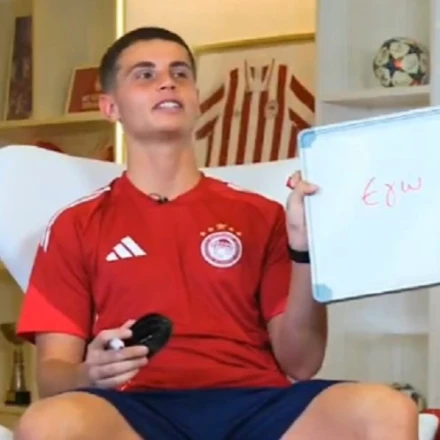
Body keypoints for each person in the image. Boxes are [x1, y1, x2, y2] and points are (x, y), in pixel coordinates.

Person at [14, 27, 418, 440]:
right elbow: (52, 376)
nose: (167, 82)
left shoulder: (262, 215)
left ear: (196, 100)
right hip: (134, 409)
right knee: (46, 424)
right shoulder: (76, 225)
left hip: (256, 405)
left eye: (180, 73)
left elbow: (301, 363)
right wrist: (89, 373)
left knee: (387, 410)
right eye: (145, 75)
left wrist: (303, 253)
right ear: (110, 106)